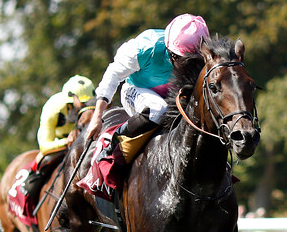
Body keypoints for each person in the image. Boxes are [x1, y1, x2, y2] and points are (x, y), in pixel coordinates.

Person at [83, 14, 210, 155]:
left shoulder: (203, 55)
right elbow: (112, 76)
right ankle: (112, 145)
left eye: (193, 59)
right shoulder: (146, 47)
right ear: (171, 51)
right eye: (183, 59)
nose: (188, 65)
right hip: (136, 89)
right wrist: (97, 115)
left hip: (173, 96)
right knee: (159, 109)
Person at [22, 75, 96, 201]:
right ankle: (30, 195)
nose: (85, 109)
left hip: (83, 143)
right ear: (71, 100)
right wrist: (66, 142)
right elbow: (44, 146)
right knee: (42, 163)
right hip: (59, 143)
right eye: (82, 105)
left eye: (88, 104)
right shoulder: (52, 109)